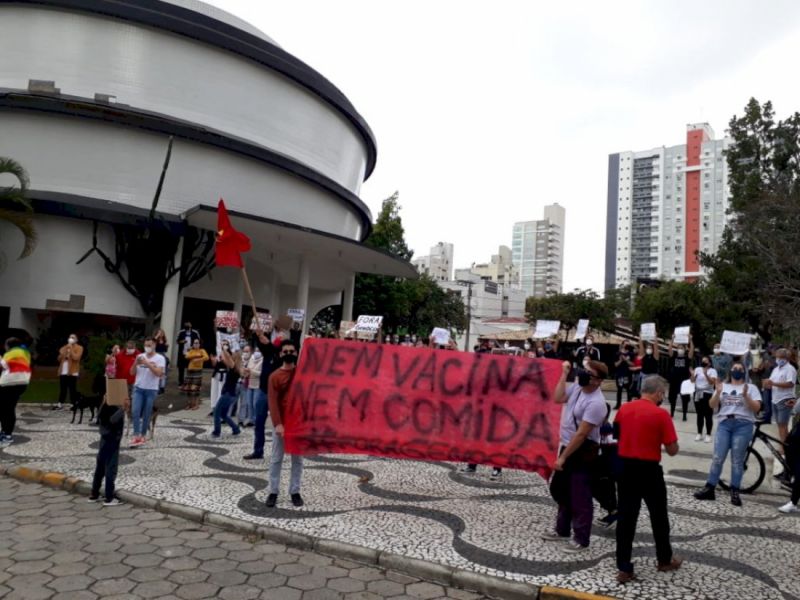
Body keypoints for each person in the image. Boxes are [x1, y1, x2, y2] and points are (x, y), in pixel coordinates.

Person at [614, 375, 681, 583]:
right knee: (659, 516)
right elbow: (672, 450)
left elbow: (616, 434)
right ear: (658, 393)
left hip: (625, 468)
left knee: (626, 519)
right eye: (663, 394)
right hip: (649, 470)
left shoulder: (624, 409)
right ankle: (664, 559)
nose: (663, 397)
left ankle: (624, 567)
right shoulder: (661, 414)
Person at [542, 359, 609, 552]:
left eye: (588, 373)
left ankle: (581, 538)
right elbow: (558, 397)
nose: (583, 374)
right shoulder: (578, 388)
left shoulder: (596, 403)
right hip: (567, 445)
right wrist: (564, 375)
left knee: (580, 495)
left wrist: (563, 457)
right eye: (583, 370)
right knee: (561, 489)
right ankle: (562, 529)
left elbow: (581, 434)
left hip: (582, 451)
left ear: (598, 381)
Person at [694, 362, 762, 506]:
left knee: (737, 460)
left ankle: (735, 491)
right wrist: (718, 393)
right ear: (730, 371)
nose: (737, 371)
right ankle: (710, 488)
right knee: (718, 458)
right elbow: (712, 405)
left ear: (744, 372)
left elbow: (757, 408)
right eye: (735, 368)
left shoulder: (751, 388)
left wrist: (746, 396)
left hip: (743, 425)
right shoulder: (723, 386)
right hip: (725, 424)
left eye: (740, 369)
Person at [266, 339, 304, 508]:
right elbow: (272, 402)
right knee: (276, 459)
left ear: (296, 353)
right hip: (281, 423)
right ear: (281, 354)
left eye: (291, 351)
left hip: (298, 424)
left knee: (298, 460)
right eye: (285, 351)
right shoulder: (274, 376)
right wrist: (278, 424)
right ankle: (273, 491)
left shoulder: (302, 374)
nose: (289, 354)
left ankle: (295, 491)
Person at [89, 396, 128, 506]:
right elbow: (112, 420)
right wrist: (123, 409)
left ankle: (94, 494)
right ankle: (109, 497)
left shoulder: (104, 407)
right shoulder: (112, 408)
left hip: (104, 439)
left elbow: (101, 417)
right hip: (112, 439)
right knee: (110, 467)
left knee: (100, 468)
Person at [764, 348, 797, 469]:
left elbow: (790, 383)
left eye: (780, 357)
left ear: (786, 358)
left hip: (785, 399)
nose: (778, 359)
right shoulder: (776, 369)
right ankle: (784, 445)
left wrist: (773, 384)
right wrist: (768, 383)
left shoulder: (790, 369)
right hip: (775, 398)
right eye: (777, 357)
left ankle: (784, 447)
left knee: (783, 424)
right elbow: (772, 381)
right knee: (780, 425)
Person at [129, 338, 165, 448]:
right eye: (145, 345)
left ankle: (143, 434)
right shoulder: (140, 356)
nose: (147, 347)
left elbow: (159, 373)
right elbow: (132, 372)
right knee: (135, 411)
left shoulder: (160, 358)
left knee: (146, 413)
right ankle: (136, 435)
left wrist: (147, 363)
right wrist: (135, 363)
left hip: (151, 389)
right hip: (138, 388)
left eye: (149, 345)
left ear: (154, 345)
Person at [0, 337, 32, 445]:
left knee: (5, 409)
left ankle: (6, 435)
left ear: (9, 345)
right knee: (9, 408)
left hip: (9, 383)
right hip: (22, 383)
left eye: (5, 345)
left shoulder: (11, 353)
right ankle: (6, 433)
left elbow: (3, 365)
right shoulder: (26, 353)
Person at [211, 341, 242, 438]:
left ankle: (216, 432)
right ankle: (235, 429)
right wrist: (221, 352)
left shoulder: (234, 367)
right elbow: (225, 359)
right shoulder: (236, 368)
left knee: (217, 412)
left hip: (228, 393)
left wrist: (223, 348)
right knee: (224, 414)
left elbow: (228, 357)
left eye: (233, 355)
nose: (231, 356)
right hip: (230, 393)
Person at [667, 334, 694, 420]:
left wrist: (690, 340)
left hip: (684, 381)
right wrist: (672, 339)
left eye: (682, 348)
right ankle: (671, 413)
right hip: (674, 380)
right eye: (679, 348)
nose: (680, 349)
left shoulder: (687, 358)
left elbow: (692, 350)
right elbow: (669, 349)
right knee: (672, 398)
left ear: (685, 350)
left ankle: (684, 415)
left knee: (685, 398)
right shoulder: (674, 357)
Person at [690, 356, 717, 442]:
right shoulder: (698, 369)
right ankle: (699, 433)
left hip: (707, 393)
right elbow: (692, 381)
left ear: (709, 363)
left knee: (708, 414)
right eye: (702, 361)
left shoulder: (712, 371)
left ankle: (708, 434)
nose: (703, 362)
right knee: (699, 414)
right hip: (698, 393)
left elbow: (712, 382)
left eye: (705, 361)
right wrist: (692, 374)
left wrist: (705, 374)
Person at [54, 334, 83, 410]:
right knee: (63, 388)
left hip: (72, 371)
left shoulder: (79, 348)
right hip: (63, 371)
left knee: (72, 389)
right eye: (70, 337)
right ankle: (60, 404)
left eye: (73, 337)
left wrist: (71, 349)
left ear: (76, 340)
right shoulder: (64, 347)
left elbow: (76, 358)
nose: (71, 339)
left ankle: (73, 404)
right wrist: (65, 351)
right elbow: (59, 359)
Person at [183, 339, 208, 410]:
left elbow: (206, 357)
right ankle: (190, 404)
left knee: (196, 389)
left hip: (198, 371)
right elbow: (186, 356)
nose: (195, 344)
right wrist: (196, 355)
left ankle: (196, 404)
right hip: (190, 371)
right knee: (188, 389)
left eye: (197, 343)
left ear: (199, 344)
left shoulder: (202, 350)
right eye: (194, 343)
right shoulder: (191, 350)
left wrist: (198, 359)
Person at [241, 345, 263, 427]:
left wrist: (251, 371)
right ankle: (251, 419)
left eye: (259, 351)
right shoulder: (251, 359)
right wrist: (245, 372)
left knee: (255, 404)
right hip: (250, 384)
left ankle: (256, 419)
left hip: (258, 385)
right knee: (249, 403)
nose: (257, 352)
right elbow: (248, 370)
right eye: (256, 351)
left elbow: (261, 373)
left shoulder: (263, 360)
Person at [175, 322, 199, 387]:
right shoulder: (181, 332)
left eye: (189, 325)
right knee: (181, 368)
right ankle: (181, 382)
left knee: (191, 368)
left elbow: (198, 341)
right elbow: (177, 341)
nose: (188, 326)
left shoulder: (195, 332)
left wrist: (193, 346)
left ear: (191, 325)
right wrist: (182, 341)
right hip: (182, 353)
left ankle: (190, 382)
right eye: (186, 325)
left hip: (192, 353)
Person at [614, 342, 636, 409]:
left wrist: (626, 360)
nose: (626, 345)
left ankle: (629, 405)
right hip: (619, 374)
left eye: (628, 344)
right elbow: (615, 365)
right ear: (622, 345)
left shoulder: (631, 354)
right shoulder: (618, 353)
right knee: (619, 390)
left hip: (628, 374)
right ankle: (618, 404)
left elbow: (633, 364)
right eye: (625, 344)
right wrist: (621, 360)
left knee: (628, 390)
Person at [153, 329, 169, 393]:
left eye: (162, 332)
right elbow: (152, 342)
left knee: (163, 372)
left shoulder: (164, 340)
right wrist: (157, 336)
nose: (161, 334)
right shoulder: (155, 340)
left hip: (163, 355)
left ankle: (162, 386)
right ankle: (156, 386)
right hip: (156, 355)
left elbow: (165, 350)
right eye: (159, 332)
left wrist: (166, 346)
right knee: (156, 371)